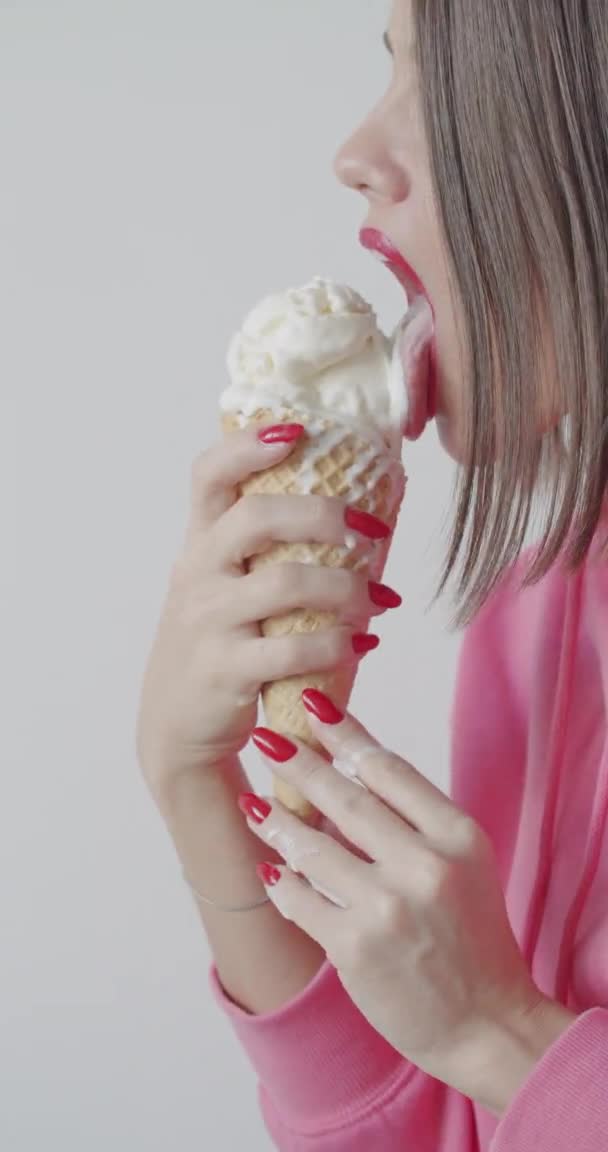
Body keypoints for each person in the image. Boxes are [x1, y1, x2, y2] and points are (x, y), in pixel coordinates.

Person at [135, 1, 608, 1148]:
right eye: (387, 69)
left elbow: (491, 1064)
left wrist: (498, 1031)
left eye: (438, 84)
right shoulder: (538, 604)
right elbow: (436, 1129)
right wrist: (198, 793)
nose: (357, 156)